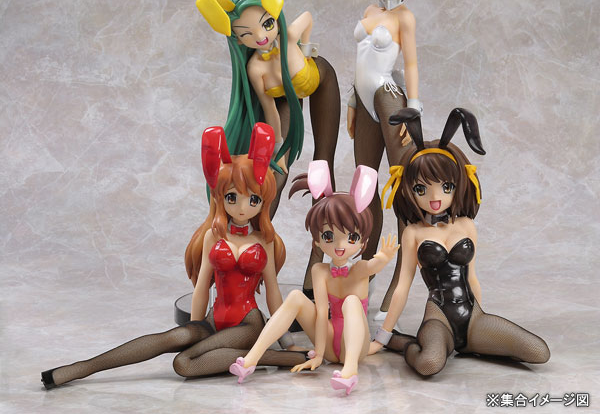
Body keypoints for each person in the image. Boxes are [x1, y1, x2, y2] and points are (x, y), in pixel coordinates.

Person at [41, 123, 305, 389]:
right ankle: (77, 369)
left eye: (253, 200)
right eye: (232, 197)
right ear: (220, 198)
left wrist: (287, 342)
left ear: (262, 201)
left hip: (249, 324)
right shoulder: (213, 236)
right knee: (172, 337)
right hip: (214, 319)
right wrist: (194, 329)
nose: (241, 207)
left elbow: (273, 294)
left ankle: (270, 356)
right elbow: (202, 288)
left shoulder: (263, 240)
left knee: (184, 362)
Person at [369, 108, 550, 375]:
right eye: (421, 188)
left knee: (539, 351)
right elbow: (402, 287)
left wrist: (484, 327)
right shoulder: (413, 233)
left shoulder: (466, 225)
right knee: (429, 364)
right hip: (438, 319)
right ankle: (403, 342)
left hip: (473, 317)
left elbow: (472, 277)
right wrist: (382, 337)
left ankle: (469, 344)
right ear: (408, 189)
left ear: (459, 184)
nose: (435, 197)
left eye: (446, 187)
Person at [196, 0, 341, 295]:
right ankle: (249, 259)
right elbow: (271, 112)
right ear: (238, 40)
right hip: (285, 97)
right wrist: (278, 150)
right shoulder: (255, 68)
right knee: (274, 176)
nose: (261, 37)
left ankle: (319, 262)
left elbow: (307, 17)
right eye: (247, 34)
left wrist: (305, 48)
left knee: (322, 166)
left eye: (266, 24)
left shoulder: (287, 37)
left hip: (319, 80)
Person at [332, 0, 431, 310]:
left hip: (391, 101)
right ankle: (363, 272)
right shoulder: (369, 10)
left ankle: (398, 282)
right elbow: (359, 61)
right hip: (365, 100)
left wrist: (414, 106)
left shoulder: (403, 17)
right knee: (364, 185)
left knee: (402, 185)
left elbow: (410, 63)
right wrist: (351, 103)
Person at [228, 160, 399, 395]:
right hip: (329, 344)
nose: (340, 245)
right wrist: (318, 353)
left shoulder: (359, 268)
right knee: (296, 296)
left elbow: (374, 265)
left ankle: (350, 372)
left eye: (351, 238)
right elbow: (320, 313)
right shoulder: (320, 271)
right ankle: (250, 360)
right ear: (317, 241)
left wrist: (384, 257)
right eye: (329, 236)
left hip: (355, 348)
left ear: (363, 242)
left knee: (351, 301)